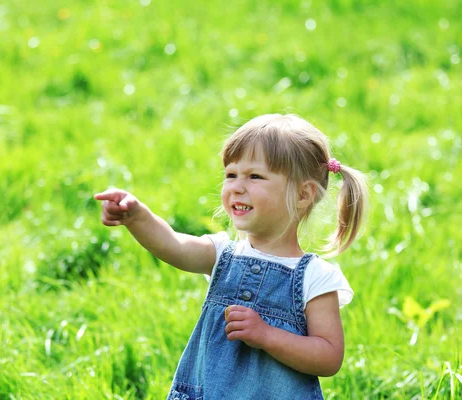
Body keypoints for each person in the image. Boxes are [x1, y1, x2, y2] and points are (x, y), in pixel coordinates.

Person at [94, 114, 369, 399]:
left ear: (303, 195)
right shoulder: (224, 254)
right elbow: (174, 246)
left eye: (255, 176)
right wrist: (137, 217)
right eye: (231, 175)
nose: (237, 186)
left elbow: (328, 356)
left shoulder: (315, 277)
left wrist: (267, 336)